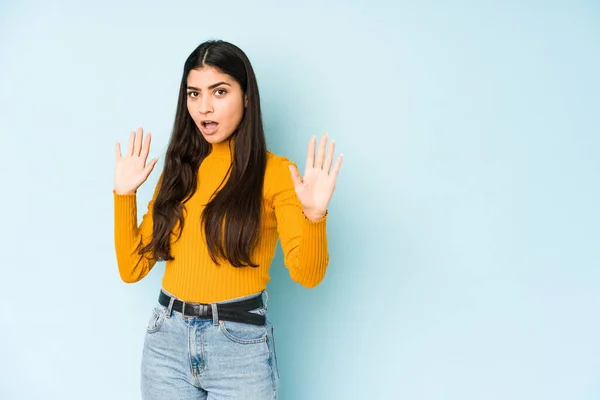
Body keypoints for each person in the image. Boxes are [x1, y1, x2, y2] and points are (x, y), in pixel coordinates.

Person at [112, 40, 342, 399]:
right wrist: (125, 196)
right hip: (166, 341)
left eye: (220, 91)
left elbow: (308, 275)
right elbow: (131, 268)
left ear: (247, 96)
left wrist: (314, 216)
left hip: (239, 344)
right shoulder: (178, 169)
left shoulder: (277, 173)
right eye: (194, 93)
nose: (204, 107)